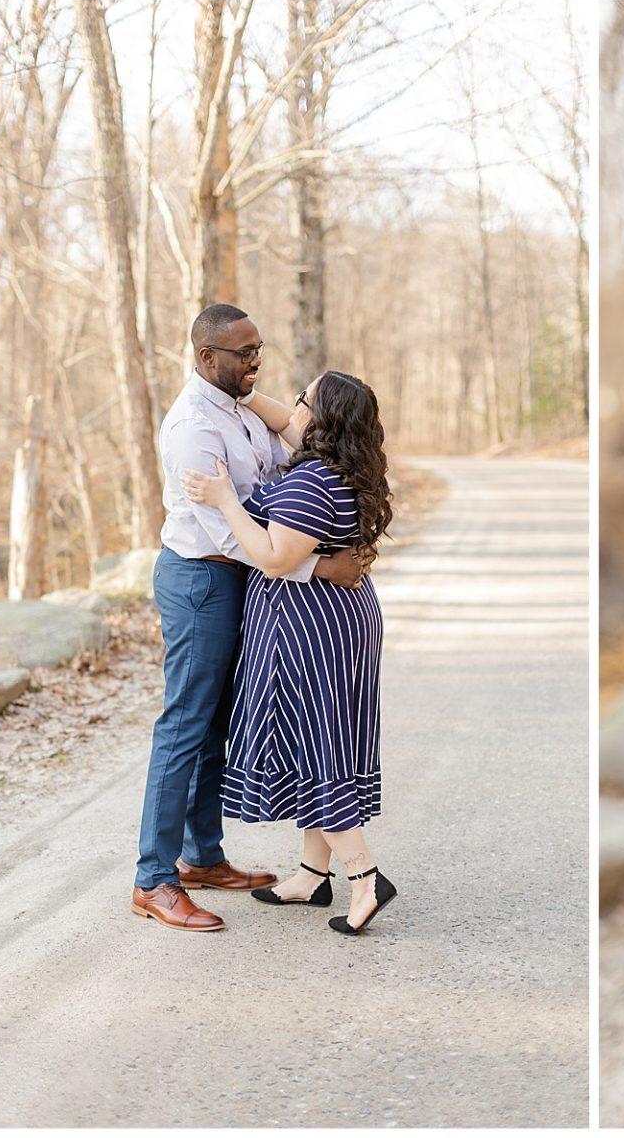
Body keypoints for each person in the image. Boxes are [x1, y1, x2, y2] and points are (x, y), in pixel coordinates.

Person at [131, 305, 368, 933]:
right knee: (184, 724)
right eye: (243, 353)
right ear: (207, 357)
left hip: (249, 581)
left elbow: (302, 435)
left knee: (218, 724)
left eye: (259, 347)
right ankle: (153, 879)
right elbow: (226, 532)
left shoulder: (239, 404)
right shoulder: (193, 429)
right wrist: (318, 569)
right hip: (204, 579)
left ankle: (202, 858)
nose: (256, 359)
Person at [181, 369, 396, 936]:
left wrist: (226, 499)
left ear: (318, 419)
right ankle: (309, 874)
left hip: (308, 629)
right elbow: (283, 419)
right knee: (319, 742)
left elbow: (273, 558)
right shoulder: (346, 468)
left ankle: (365, 877)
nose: (289, 407)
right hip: (336, 620)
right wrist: (243, 394)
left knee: (316, 748)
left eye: (301, 399)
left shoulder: (311, 482)